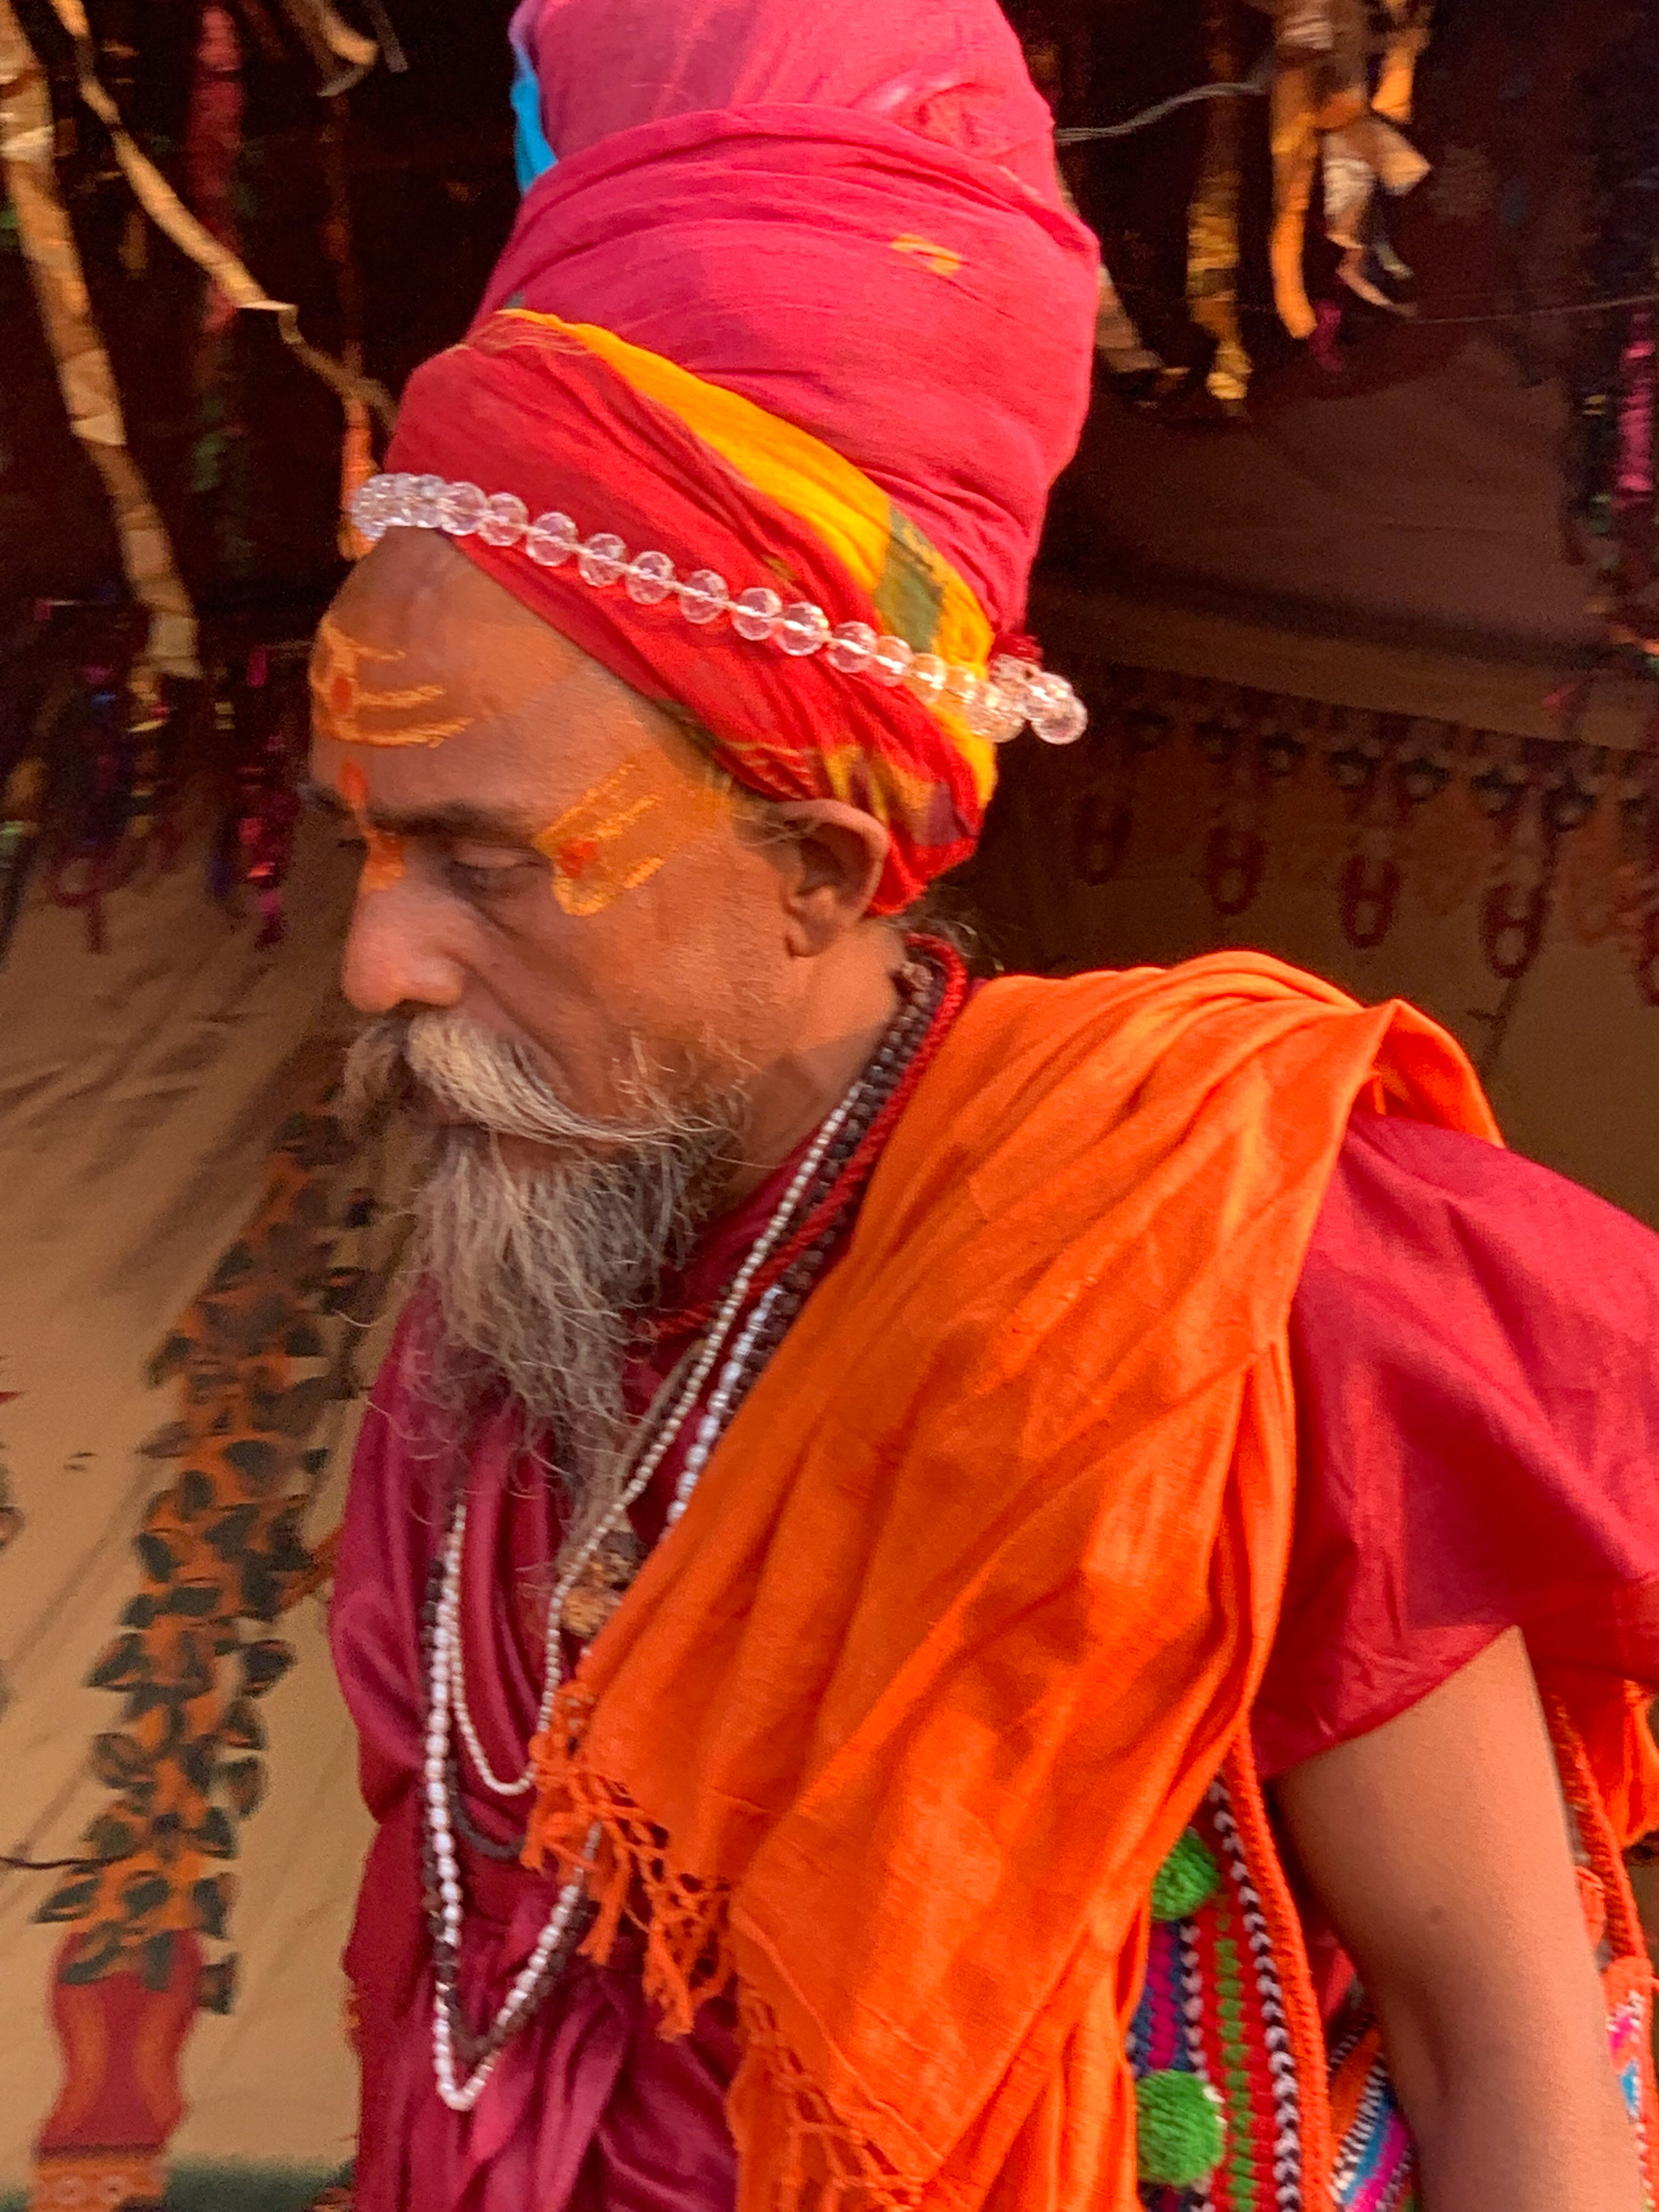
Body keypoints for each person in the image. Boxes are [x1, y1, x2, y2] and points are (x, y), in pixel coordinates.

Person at [315, 3, 1659, 2208]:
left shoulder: (1206, 1259)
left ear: (813, 873)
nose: (379, 965)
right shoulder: (498, 1332)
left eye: (479, 859)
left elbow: (1497, 2035)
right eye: (359, 843)